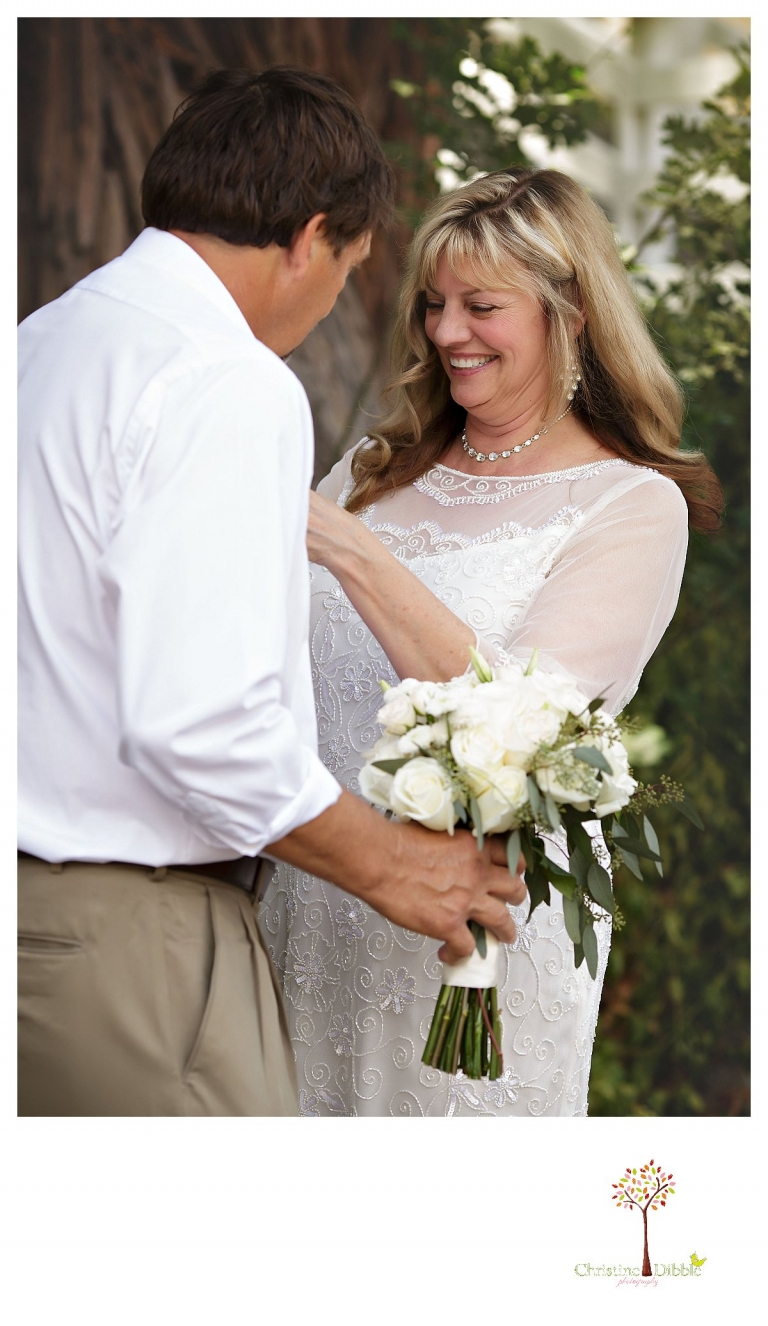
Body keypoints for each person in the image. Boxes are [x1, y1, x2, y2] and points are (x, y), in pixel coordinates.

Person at [17, 69, 524, 1118]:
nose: (341, 294)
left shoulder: (42, 345)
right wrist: (390, 864)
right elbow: (200, 724)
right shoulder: (226, 379)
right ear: (310, 235)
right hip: (134, 945)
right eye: (352, 265)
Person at [261, 167, 723, 1117]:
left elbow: (523, 729)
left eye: (482, 306)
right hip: (313, 898)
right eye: (434, 304)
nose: (444, 333)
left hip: (472, 945)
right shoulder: (375, 469)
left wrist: (350, 548)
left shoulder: (632, 505)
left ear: (573, 313)